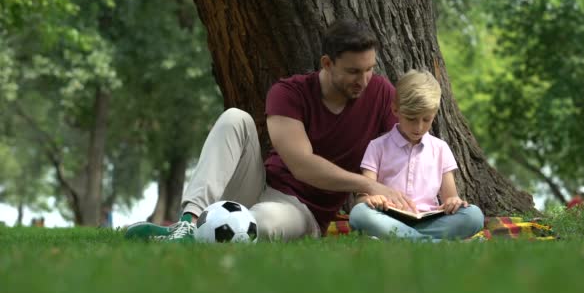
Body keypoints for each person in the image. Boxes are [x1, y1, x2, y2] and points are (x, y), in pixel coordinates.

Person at [126, 19, 419, 242]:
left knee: (260, 224)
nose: (365, 79)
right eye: (354, 71)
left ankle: (208, 233)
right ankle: (187, 223)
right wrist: (367, 185)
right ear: (327, 64)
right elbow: (301, 165)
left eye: (370, 69)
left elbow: (399, 151)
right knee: (234, 118)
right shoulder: (288, 92)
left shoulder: (380, 93)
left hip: (302, 211)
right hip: (259, 183)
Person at [348, 69, 484, 241]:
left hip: (430, 221)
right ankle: (438, 244)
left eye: (426, 119)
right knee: (359, 214)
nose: (419, 127)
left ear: (434, 114)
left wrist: (453, 202)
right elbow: (362, 200)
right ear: (395, 110)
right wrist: (374, 199)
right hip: (389, 219)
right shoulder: (377, 147)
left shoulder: (440, 148)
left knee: (474, 216)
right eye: (411, 118)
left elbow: (451, 198)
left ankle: (407, 240)